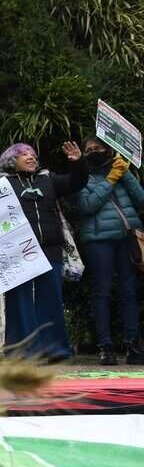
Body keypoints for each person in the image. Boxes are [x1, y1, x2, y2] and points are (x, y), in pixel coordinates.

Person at [0, 141, 87, 362]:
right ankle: (21, 353)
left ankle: (55, 350)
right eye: (24, 154)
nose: (31, 157)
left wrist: (78, 163)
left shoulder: (49, 179)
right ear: (11, 160)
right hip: (17, 252)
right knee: (19, 300)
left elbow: (77, 182)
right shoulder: (1, 185)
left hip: (50, 248)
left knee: (51, 299)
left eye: (33, 154)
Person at [77, 137, 144, 365]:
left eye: (98, 148)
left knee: (130, 292)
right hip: (98, 240)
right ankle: (105, 347)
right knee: (102, 292)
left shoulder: (122, 171)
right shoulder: (82, 176)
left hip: (127, 237)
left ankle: (133, 345)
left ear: (108, 150)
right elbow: (87, 206)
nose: (94, 152)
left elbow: (141, 199)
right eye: (89, 149)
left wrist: (123, 172)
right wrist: (111, 179)